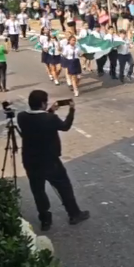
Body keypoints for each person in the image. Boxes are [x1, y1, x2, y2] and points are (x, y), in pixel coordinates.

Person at [17, 90, 90, 231]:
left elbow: (39, 121)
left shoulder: (22, 117)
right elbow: (65, 126)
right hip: (50, 161)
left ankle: (45, 220)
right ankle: (74, 214)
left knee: (38, 191)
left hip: (30, 161)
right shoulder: (50, 119)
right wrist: (72, 110)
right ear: (43, 103)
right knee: (64, 187)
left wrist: (51, 110)